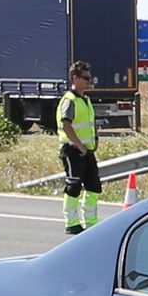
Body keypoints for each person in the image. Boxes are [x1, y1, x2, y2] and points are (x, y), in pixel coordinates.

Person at [56, 63, 104, 234]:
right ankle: (72, 222)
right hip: (72, 150)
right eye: (85, 78)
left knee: (94, 186)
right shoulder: (69, 100)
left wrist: (94, 141)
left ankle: (91, 221)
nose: (89, 81)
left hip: (86, 150)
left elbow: (90, 124)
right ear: (75, 78)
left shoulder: (86, 100)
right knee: (74, 185)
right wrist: (79, 145)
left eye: (89, 77)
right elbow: (66, 124)